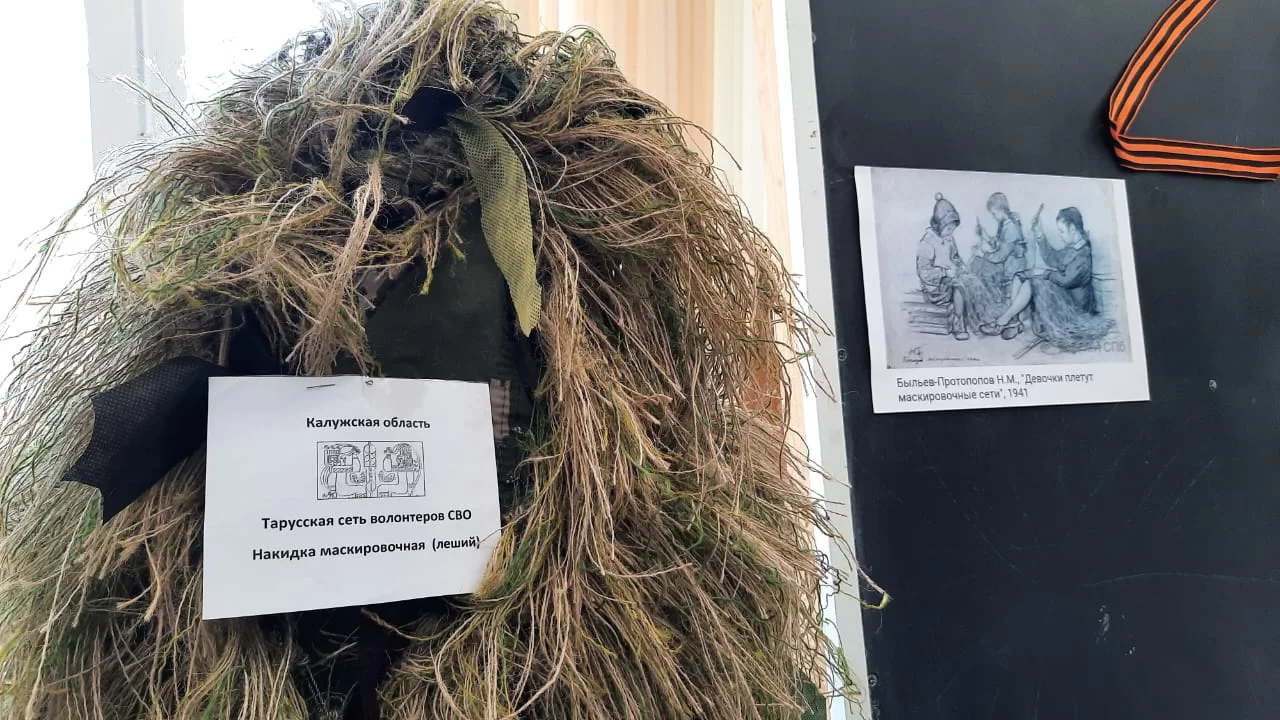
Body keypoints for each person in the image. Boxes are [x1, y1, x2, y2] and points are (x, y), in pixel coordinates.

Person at [982, 206, 1106, 348]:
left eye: (1062, 231)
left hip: (1075, 308)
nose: (1060, 235)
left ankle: (1002, 321)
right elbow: (1053, 259)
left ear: (1072, 229)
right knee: (1020, 276)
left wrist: (1044, 273)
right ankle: (1015, 321)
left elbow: (1066, 280)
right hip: (1064, 296)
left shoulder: (1083, 255)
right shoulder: (1072, 249)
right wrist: (1040, 235)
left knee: (1033, 282)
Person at [972, 192, 1029, 338]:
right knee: (981, 267)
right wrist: (984, 235)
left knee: (981, 267)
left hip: (1014, 268)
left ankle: (1007, 322)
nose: (993, 217)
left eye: (994, 213)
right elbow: (999, 244)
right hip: (1008, 265)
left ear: (1001, 209)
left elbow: (1000, 255)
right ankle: (1002, 319)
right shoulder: (1005, 224)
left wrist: (982, 254)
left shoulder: (1010, 227)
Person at [916, 193, 970, 340]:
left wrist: (961, 266)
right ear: (938, 225)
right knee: (959, 286)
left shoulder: (949, 239)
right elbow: (924, 273)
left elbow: (955, 257)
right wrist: (944, 273)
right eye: (948, 229)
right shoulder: (927, 242)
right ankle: (958, 324)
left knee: (969, 281)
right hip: (934, 289)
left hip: (948, 281)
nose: (950, 233)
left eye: (953, 229)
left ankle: (973, 319)